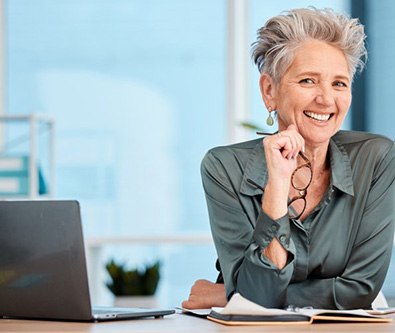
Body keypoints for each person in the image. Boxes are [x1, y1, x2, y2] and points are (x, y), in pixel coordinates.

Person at [182, 7, 395, 310]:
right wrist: (278, 186)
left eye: (339, 83)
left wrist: (230, 295)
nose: (326, 99)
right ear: (270, 91)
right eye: (308, 80)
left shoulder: (376, 159)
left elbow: (360, 289)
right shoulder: (224, 168)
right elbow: (260, 291)